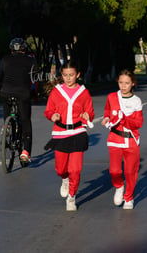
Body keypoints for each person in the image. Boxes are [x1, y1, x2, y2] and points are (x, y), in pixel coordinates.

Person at [44, 61, 95, 211]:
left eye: (71, 75)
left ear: (78, 75)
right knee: (60, 168)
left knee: (75, 169)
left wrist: (87, 115)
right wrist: (52, 115)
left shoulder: (83, 92)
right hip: (60, 133)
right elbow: (48, 110)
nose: (68, 78)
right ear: (62, 75)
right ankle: (64, 179)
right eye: (65, 75)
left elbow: (90, 112)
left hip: (78, 132)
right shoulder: (56, 91)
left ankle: (72, 197)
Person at [101, 70, 143, 210]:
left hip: (131, 140)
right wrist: (106, 118)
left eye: (127, 83)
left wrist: (123, 119)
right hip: (115, 138)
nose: (123, 86)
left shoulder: (136, 101)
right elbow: (107, 111)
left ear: (133, 84)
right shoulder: (112, 97)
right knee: (114, 171)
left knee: (130, 172)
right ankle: (119, 186)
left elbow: (138, 123)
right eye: (121, 83)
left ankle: (129, 197)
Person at [0, 38, 39, 164]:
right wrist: (37, 93)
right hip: (23, 94)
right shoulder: (31, 61)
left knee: (6, 106)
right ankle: (25, 152)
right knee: (25, 121)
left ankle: (7, 125)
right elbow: (36, 79)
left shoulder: (4, 60)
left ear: (11, 49)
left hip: (6, 92)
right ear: (24, 49)